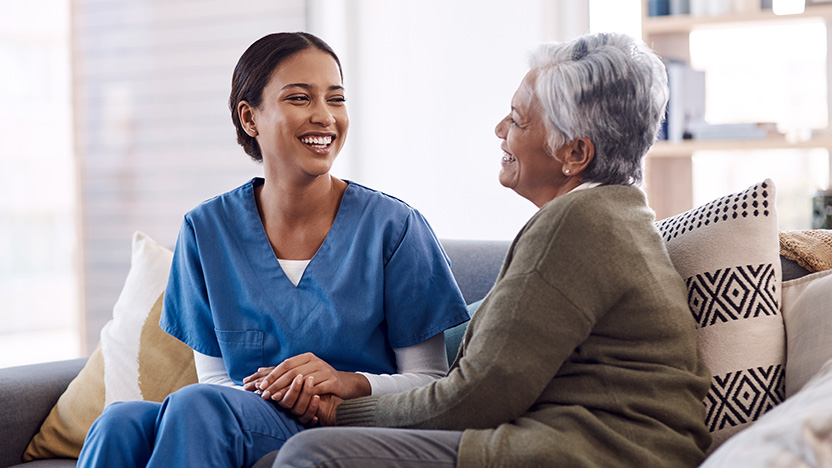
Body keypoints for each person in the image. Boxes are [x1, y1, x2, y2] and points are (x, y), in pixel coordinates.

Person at [267, 32, 712, 468]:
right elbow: (492, 348)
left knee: (313, 454)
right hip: (595, 443)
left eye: (517, 120)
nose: (500, 129)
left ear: (574, 153)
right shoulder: (614, 215)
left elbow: (475, 397)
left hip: (597, 450)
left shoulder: (576, 225)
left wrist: (337, 414)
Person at [75, 32, 469, 468]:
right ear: (250, 118)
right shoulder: (205, 230)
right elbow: (217, 380)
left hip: (345, 425)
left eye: (335, 99)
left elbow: (431, 382)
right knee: (120, 421)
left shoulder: (395, 228)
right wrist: (275, 391)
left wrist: (344, 382)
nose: (324, 117)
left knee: (196, 406)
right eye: (300, 98)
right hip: (240, 415)